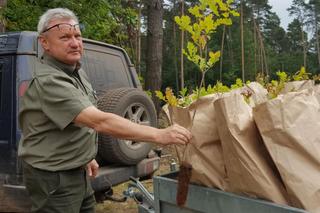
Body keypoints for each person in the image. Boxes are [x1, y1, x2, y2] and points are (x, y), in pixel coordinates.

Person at [18, 8, 192, 213]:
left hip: (78, 171)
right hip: (54, 179)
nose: (75, 43)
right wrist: (159, 134)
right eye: (65, 37)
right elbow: (98, 120)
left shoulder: (75, 71)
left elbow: (77, 120)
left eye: (77, 36)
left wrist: (86, 156)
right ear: (44, 43)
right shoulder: (49, 81)